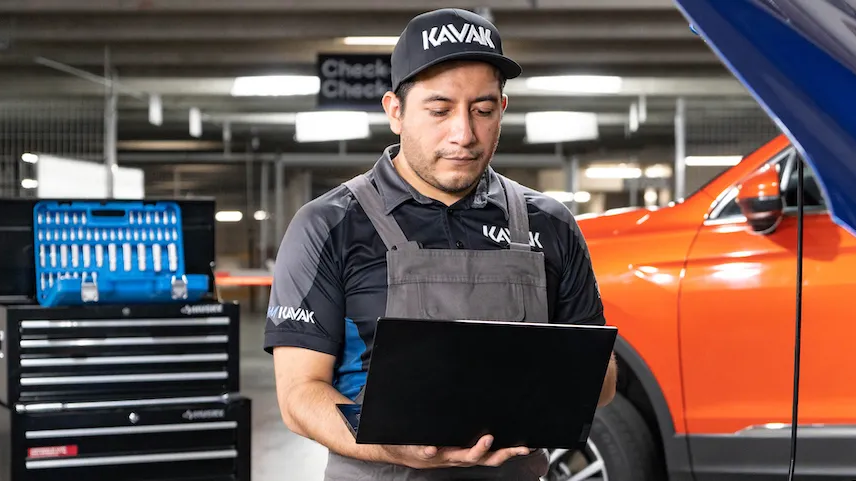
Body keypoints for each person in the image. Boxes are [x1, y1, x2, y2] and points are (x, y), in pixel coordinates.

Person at [263, 7, 617, 481]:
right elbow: (300, 395)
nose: (463, 135)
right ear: (395, 111)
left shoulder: (550, 224)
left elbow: (604, 379)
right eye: (439, 110)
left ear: (502, 111)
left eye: (483, 110)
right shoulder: (329, 225)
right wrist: (397, 445)